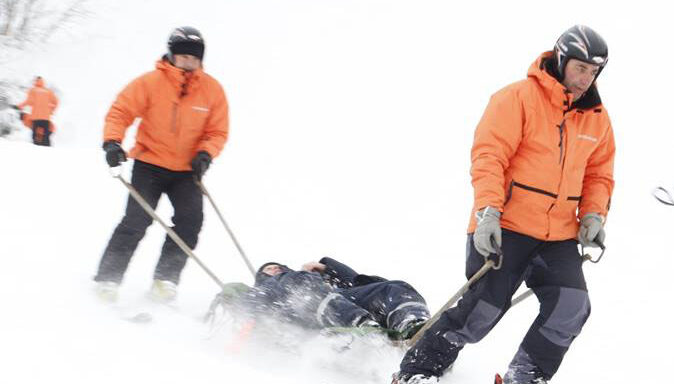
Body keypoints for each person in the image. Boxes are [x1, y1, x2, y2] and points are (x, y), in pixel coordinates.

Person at [381, 25, 616, 384]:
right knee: (482, 311)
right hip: (505, 225)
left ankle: (524, 379)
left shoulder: (596, 118)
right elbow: (489, 156)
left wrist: (593, 214)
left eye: (593, 72)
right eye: (579, 68)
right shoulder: (517, 98)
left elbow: (599, 174)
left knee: (572, 305)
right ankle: (413, 376)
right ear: (560, 60)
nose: (584, 78)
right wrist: (488, 210)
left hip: (557, 233)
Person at [93, 26, 229, 303]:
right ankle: (108, 278)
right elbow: (120, 111)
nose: (188, 63)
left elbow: (217, 131)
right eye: (183, 57)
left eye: (194, 58)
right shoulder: (150, 83)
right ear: (171, 55)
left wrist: (206, 153)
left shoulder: (213, 90)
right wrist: (112, 142)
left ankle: (165, 279)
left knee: (190, 223)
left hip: (187, 171)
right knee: (136, 220)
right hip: (149, 165)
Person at [222, 257, 431, 340]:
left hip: (335, 299)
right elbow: (247, 305)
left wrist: (327, 268)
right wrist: (232, 295)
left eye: (278, 266)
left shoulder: (312, 279)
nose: (275, 268)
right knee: (302, 286)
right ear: (262, 278)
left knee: (393, 287)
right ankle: (360, 324)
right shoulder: (266, 290)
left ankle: (413, 324)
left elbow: (358, 283)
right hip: (299, 310)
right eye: (268, 269)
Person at [17, 76, 58, 146]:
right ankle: (47, 148)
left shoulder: (33, 90)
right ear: (43, 82)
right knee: (45, 136)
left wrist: (19, 106)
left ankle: (36, 149)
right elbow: (56, 102)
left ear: (35, 82)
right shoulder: (48, 91)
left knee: (35, 135)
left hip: (35, 117)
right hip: (46, 118)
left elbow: (28, 102)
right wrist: (51, 110)